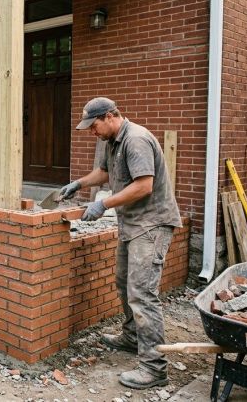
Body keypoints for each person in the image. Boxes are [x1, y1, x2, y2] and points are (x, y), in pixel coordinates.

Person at [57, 97, 182, 390]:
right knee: (123, 281)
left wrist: (104, 205)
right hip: (132, 223)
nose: (92, 132)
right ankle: (132, 336)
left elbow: (144, 185)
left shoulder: (136, 139)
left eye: (94, 125)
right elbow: (103, 174)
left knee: (142, 293)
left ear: (111, 116)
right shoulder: (110, 140)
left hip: (152, 224)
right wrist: (79, 183)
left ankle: (154, 367)